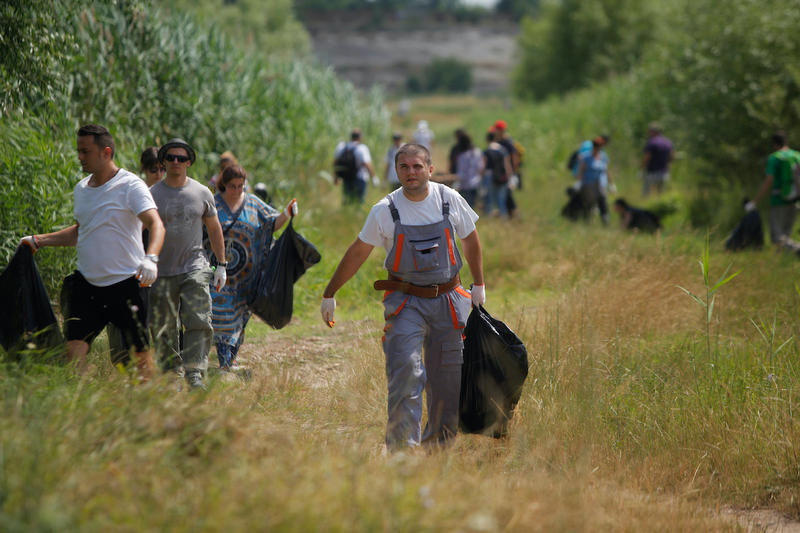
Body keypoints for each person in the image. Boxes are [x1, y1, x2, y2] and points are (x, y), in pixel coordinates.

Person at [320, 143, 486, 451]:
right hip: (405, 303)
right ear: (396, 171)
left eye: (417, 166)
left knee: (447, 382)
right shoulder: (384, 210)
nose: (411, 172)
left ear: (430, 169)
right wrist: (330, 292)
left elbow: (470, 239)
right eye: (404, 167)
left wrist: (479, 284)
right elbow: (358, 252)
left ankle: (438, 452)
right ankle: (402, 454)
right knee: (406, 372)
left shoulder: (449, 199)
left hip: (450, 301)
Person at [19, 124, 165, 379]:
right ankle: (79, 399)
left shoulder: (131, 185)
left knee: (141, 361)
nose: (80, 157)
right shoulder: (81, 189)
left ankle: (150, 400)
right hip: (87, 286)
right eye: (78, 151)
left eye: (85, 151)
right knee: (72, 354)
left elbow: (156, 224)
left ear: (106, 152)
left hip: (126, 285)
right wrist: (38, 241)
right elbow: (81, 232)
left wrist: (151, 258)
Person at [149, 138, 228, 389]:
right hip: (161, 270)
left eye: (181, 158)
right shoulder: (152, 194)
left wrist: (221, 265)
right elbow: (138, 230)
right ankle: (171, 374)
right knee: (164, 325)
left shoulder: (202, 192)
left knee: (198, 320)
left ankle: (195, 373)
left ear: (189, 163)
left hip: (195, 266)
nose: (176, 162)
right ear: (163, 162)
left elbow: (214, 229)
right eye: (170, 158)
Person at [209, 164, 298, 370]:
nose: (237, 190)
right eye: (232, 186)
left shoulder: (254, 203)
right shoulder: (213, 204)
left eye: (241, 186)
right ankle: (224, 363)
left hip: (248, 276)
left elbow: (272, 224)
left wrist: (287, 212)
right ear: (223, 184)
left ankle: (230, 360)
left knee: (240, 319)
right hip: (219, 274)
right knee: (222, 318)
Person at [108, 145, 166, 364]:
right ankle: (130, 363)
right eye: (153, 170)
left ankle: (166, 364)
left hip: (162, 262)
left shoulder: (169, 192)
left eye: (162, 169)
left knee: (163, 318)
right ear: (144, 170)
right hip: (136, 263)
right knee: (136, 318)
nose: (159, 174)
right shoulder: (136, 192)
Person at [746, 131, 800, 253]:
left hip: (779, 200)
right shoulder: (797, 155)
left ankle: (797, 248)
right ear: (786, 141)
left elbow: (769, 180)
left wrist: (755, 201)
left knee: (777, 237)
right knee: (786, 235)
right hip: (796, 200)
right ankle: (781, 260)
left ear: (774, 144)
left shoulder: (775, 157)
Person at [576, 136, 615, 225]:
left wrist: (611, 184)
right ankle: (587, 221)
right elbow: (581, 170)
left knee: (602, 201)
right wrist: (578, 182)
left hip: (600, 184)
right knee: (589, 203)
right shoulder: (586, 157)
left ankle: (605, 221)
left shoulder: (603, 156)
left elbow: (606, 171)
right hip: (588, 184)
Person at [333, 129, 375, 205]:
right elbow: (367, 164)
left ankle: (347, 211)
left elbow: (336, 162)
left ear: (351, 137)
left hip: (346, 178)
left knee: (347, 199)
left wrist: (336, 177)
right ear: (360, 137)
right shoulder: (362, 148)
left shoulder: (342, 147)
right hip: (360, 178)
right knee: (359, 201)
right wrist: (373, 177)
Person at [483, 131, 513, 218]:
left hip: (490, 176)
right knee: (501, 199)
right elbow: (507, 164)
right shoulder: (502, 150)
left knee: (490, 199)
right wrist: (509, 176)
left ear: (487, 140)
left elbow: (484, 166)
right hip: (503, 176)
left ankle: (489, 216)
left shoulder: (487, 151)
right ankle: (503, 216)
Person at [641, 123, 674, 196]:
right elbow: (672, 156)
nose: (649, 133)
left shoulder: (651, 142)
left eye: (650, 131)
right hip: (665, 173)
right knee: (661, 194)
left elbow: (647, 157)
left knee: (646, 194)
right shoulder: (668, 142)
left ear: (653, 132)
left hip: (652, 173)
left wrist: (641, 169)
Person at [453, 131, 484, 208]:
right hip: (476, 183)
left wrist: (454, 181)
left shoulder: (462, 156)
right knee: (474, 208)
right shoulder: (478, 152)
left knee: (466, 209)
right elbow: (481, 168)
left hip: (465, 186)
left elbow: (462, 174)